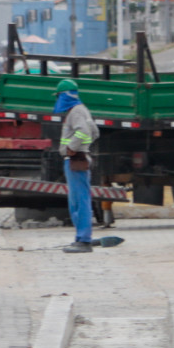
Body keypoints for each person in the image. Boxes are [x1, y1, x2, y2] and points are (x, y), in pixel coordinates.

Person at [55, 78, 97, 253]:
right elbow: (95, 132)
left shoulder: (76, 113)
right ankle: (81, 237)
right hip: (79, 159)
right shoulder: (81, 109)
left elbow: (85, 131)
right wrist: (84, 146)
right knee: (78, 200)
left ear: (65, 95)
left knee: (80, 201)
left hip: (75, 160)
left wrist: (72, 148)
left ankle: (84, 240)